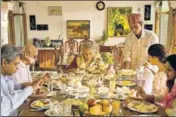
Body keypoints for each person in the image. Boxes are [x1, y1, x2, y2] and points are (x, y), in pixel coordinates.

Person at [1, 44, 43, 116]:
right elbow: (3, 106)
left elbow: (15, 86)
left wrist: (31, 84)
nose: (18, 68)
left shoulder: (7, 75)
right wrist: (31, 89)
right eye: (16, 64)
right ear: (4, 62)